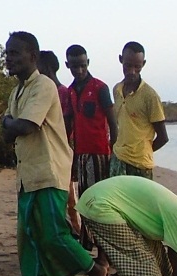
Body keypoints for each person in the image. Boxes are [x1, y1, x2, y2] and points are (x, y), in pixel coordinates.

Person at [1, 31, 107, 276]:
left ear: (32, 56)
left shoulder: (44, 86)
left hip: (48, 171)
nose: (8, 58)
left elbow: (26, 126)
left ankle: (95, 270)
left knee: (53, 234)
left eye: (14, 53)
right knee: (30, 236)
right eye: (7, 53)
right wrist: (11, 124)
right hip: (27, 175)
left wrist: (9, 122)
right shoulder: (17, 91)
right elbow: (8, 134)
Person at [64, 44, 118, 254]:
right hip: (81, 153)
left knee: (98, 201)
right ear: (68, 65)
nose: (79, 70)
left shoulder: (100, 88)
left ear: (88, 63)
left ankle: (103, 249)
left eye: (83, 66)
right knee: (85, 199)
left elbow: (113, 123)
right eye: (74, 66)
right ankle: (89, 243)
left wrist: (113, 151)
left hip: (100, 153)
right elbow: (68, 124)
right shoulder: (70, 91)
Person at [37, 50, 82, 237]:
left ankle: (76, 236)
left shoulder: (62, 92)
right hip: (52, 153)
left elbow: (67, 124)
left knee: (69, 200)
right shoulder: (52, 91)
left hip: (63, 152)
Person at [110, 41, 169, 180]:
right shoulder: (117, 90)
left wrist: (144, 152)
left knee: (139, 202)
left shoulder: (150, 96)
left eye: (137, 67)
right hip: (118, 160)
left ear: (144, 64)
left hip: (140, 166)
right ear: (120, 60)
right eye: (128, 65)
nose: (132, 71)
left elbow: (163, 137)